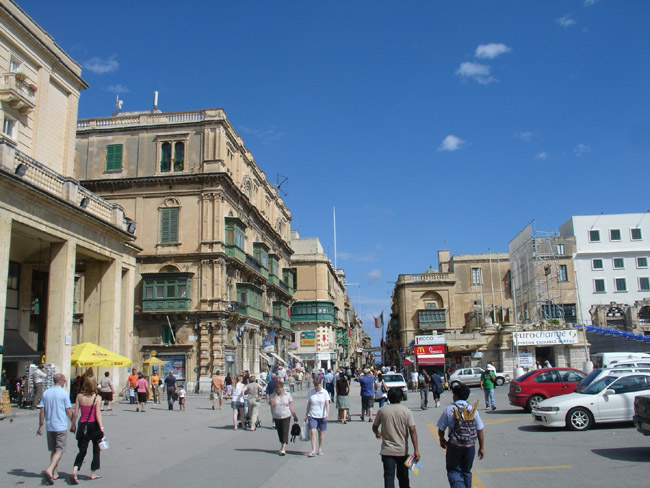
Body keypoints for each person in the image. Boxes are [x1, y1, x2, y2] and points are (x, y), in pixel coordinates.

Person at [437, 383, 485, 488]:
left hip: (454, 445)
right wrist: (481, 448)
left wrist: (442, 440)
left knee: (454, 470)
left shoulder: (449, 409)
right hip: (470, 446)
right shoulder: (473, 410)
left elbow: (441, 429)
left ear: (456, 396)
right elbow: (480, 430)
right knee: (466, 471)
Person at [372, 388, 420, 488]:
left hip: (387, 451)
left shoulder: (382, 411)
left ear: (388, 398)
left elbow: (374, 426)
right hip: (403, 451)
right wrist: (416, 450)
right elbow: (412, 430)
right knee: (403, 477)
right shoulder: (406, 411)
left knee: (389, 477)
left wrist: (377, 432)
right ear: (401, 398)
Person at [36, 373, 73, 485]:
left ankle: (54, 473)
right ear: (61, 381)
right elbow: (68, 410)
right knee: (60, 449)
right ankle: (50, 469)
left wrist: (41, 425)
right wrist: (74, 423)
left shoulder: (46, 393)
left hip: (50, 425)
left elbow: (42, 411)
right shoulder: (64, 393)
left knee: (53, 449)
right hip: (60, 425)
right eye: (65, 380)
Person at [70, 376, 104, 484]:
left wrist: (73, 424)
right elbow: (97, 414)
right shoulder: (97, 397)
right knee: (96, 450)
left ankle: (75, 468)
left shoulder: (79, 396)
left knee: (82, 450)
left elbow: (75, 413)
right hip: (94, 425)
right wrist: (102, 428)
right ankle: (93, 473)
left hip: (83, 425)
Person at [269, 382, 298, 455]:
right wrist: (275, 395)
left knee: (285, 430)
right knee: (280, 432)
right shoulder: (272, 396)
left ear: (282, 388)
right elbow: (272, 404)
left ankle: (283, 448)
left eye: (279, 389)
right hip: (277, 416)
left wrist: (294, 415)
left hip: (286, 415)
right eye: (276, 389)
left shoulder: (287, 395)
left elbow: (291, 406)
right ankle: (282, 445)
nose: (278, 390)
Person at [305, 377, 329, 457]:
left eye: (317, 385)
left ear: (320, 384)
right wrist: (306, 415)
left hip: (322, 415)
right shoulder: (311, 392)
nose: (316, 387)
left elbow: (327, 404)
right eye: (315, 385)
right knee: (313, 431)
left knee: (321, 432)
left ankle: (320, 448)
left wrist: (327, 414)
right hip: (312, 415)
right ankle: (313, 450)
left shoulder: (324, 392)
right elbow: (308, 404)